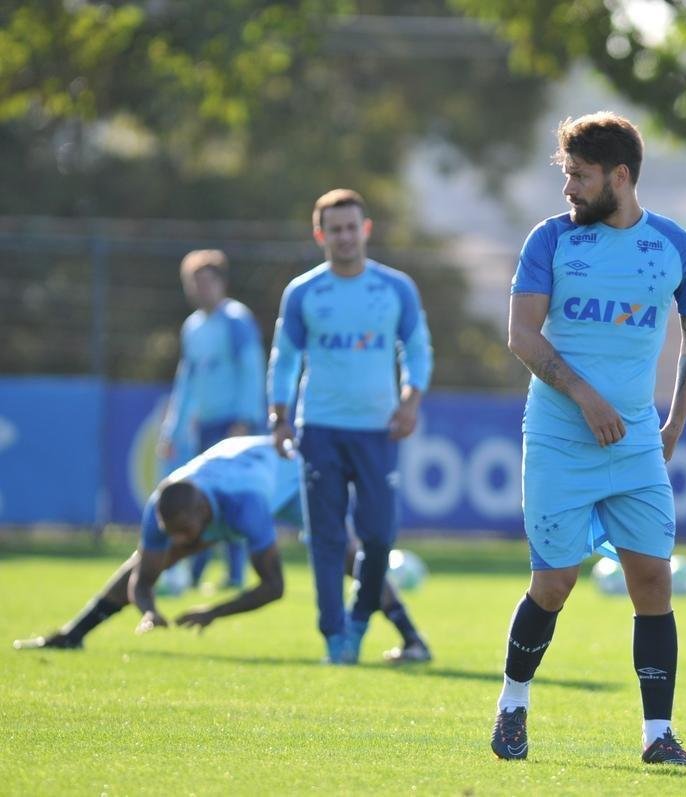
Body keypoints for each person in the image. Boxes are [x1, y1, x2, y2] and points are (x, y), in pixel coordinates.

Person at [490, 112, 686, 766]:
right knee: (554, 582)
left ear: (620, 176)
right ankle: (512, 704)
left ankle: (658, 734)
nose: (569, 190)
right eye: (566, 175)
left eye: (579, 177)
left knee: (652, 579)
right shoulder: (551, 241)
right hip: (560, 437)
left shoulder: (678, 248)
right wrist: (586, 396)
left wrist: (674, 423)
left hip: (635, 443)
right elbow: (522, 335)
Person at [14, 436, 428, 657]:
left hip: (289, 476)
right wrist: (149, 610)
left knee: (345, 553)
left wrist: (214, 612)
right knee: (151, 558)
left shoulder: (246, 506)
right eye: (170, 531)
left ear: (200, 513)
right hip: (236, 465)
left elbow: (274, 587)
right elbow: (142, 577)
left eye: (184, 530)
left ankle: (412, 639)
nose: (176, 539)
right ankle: (73, 634)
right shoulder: (166, 504)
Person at [267, 188, 433, 665]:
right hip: (319, 427)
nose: (344, 237)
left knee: (379, 535)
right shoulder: (303, 292)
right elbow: (284, 360)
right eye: (333, 229)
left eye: (351, 227)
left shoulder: (394, 287)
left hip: (377, 430)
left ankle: (360, 617)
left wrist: (411, 400)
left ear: (365, 229)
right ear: (321, 235)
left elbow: (418, 348)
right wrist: (279, 418)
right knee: (325, 538)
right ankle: (334, 636)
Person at [157, 249, 266, 590]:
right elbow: (187, 381)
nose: (201, 289)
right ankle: (195, 573)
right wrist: (173, 428)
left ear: (222, 283)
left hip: (234, 425)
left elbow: (252, 369)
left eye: (207, 281)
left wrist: (246, 420)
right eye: (195, 282)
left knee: (230, 500)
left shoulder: (236, 321)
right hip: (206, 425)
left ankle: (235, 573)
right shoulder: (193, 327)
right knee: (201, 502)